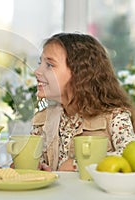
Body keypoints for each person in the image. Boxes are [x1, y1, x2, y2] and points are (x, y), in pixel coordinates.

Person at [32, 32, 135, 171]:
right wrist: (33, 167)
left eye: (49, 65)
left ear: (79, 73)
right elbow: (39, 164)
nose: (37, 71)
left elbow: (129, 157)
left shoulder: (115, 117)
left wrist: (78, 164)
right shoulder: (43, 119)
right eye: (40, 63)